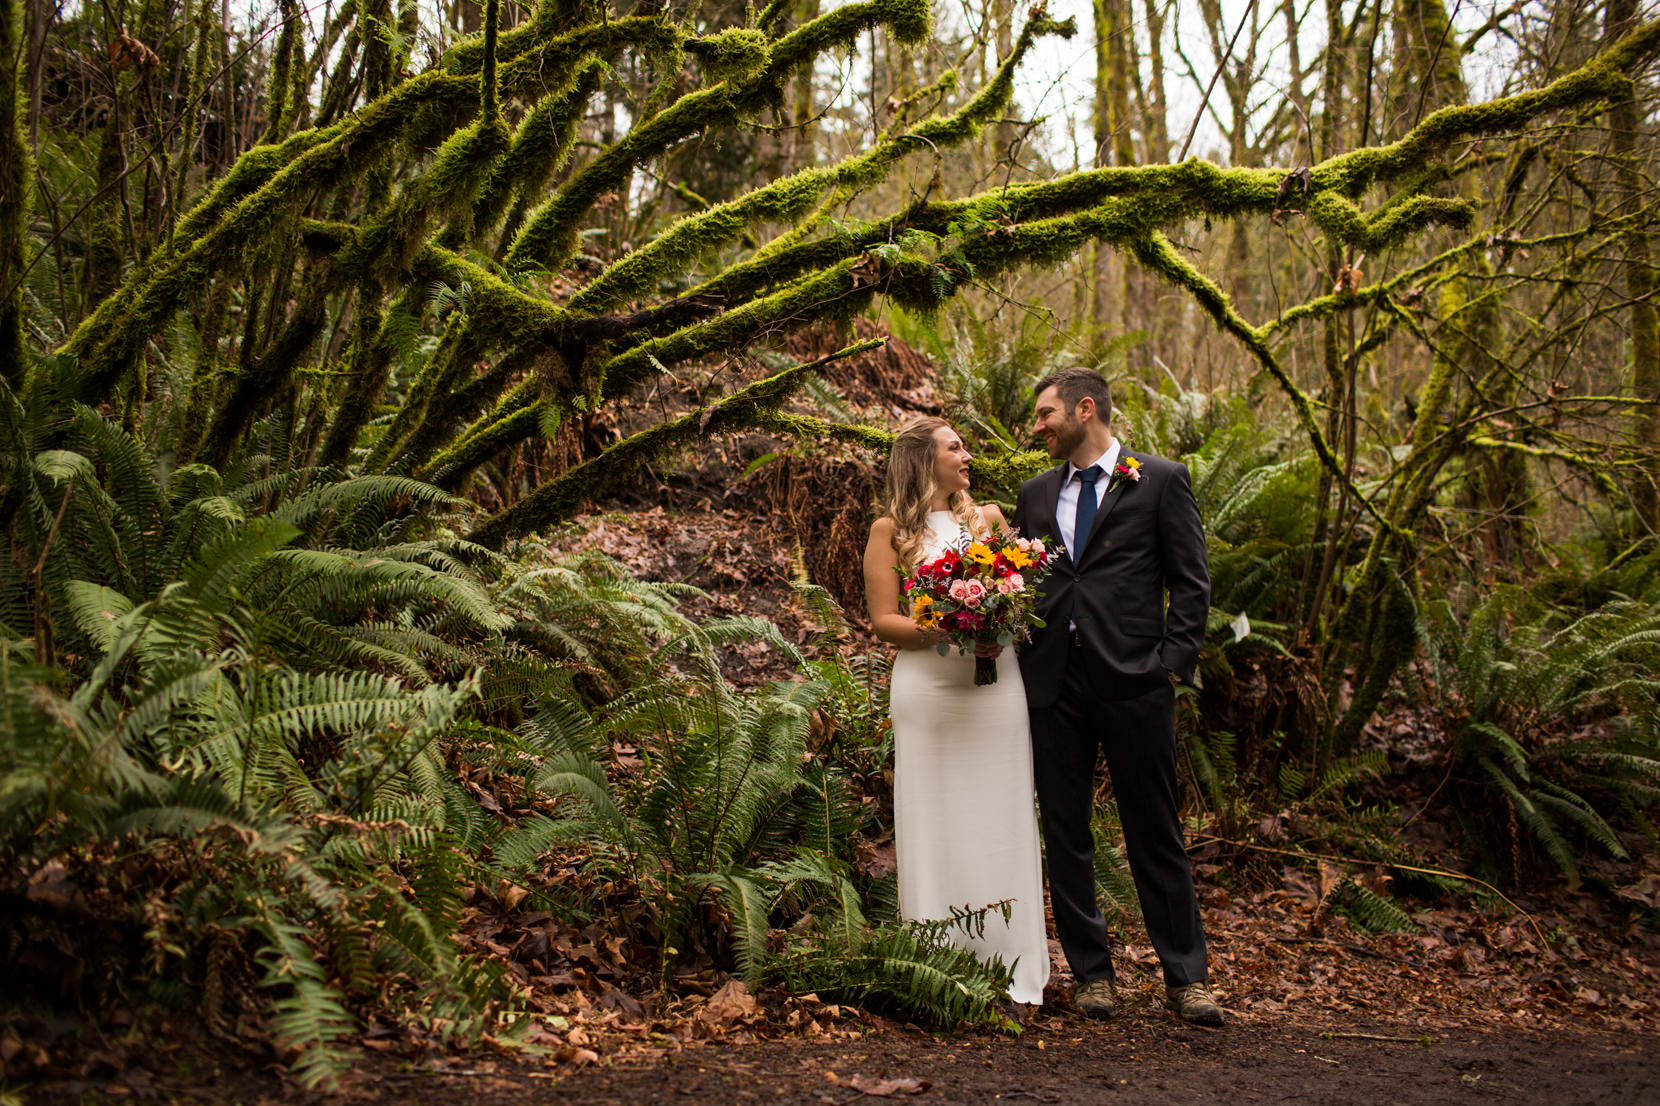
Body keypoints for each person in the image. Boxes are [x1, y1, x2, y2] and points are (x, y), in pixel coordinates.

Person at [1010, 367, 1223, 1026]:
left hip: (1135, 681)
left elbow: (1191, 582)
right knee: (1066, 830)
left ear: (1084, 409)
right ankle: (1092, 975)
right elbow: (1021, 583)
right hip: (1054, 682)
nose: (1037, 427)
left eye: (1045, 414)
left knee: (1154, 829)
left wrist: (1169, 668)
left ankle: (1186, 978)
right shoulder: (1035, 493)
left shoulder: (1160, 479)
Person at [862, 417, 1050, 1007]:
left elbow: (1023, 595)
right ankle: (939, 962)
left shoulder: (988, 519)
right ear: (924, 460)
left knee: (1001, 814)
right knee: (935, 817)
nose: (968, 455)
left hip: (996, 688)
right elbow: (884, 621)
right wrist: (948, 627)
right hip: (930, 692)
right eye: (955, 447)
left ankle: (1009, 958)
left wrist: (999, 622)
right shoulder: (889, 531)